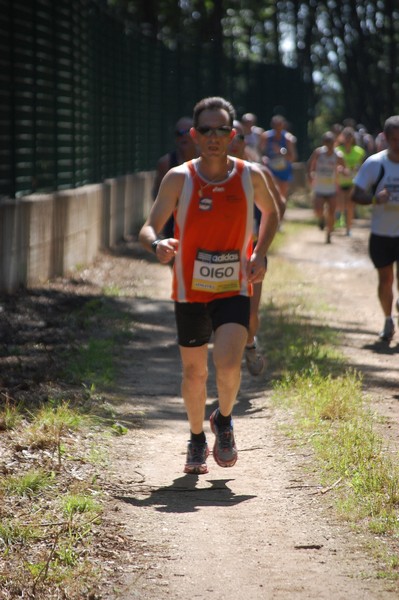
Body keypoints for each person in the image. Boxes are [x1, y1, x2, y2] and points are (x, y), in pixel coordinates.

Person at [139, 97, 279, 474]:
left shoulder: (250, 175)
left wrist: (259, 253)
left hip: (234, 286)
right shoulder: (179, 177)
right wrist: (157, 242)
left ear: (233, 135)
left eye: (222, 130)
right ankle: (198, 438)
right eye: (206, 130)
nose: (214, 136)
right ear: (194, 135)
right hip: (189, 290)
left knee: (229, 362)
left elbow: (272, 212)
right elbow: (148, 227)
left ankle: (225, 419)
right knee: (194, 373)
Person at [229, 120, 286, 375]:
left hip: (251, 252)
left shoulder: (257, 172)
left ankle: (250, 344)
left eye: (237, 136)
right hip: (217, 254)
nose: (231, 140)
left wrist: (261, 243)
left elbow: (278, 205)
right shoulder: (202, 175)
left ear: (245, 141)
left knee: (251, 315)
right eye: (226, 134)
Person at [352, 115, 399, 342]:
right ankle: (388, 320)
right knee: (385, 279)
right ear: (387, 139)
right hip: (381, 232)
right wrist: (374, 199)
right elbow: (355, 194)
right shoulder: (375, 164)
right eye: (395, 139)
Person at [152, 116, 198, 238]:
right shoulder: (165, 163)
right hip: (173, 218)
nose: (183, 136)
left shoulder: (206, 161)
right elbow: (157, 194)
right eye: (179, 133)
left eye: (186, 132)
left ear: (195, 134)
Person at [307, 131, 346, 244]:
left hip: (332, 188)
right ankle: (321, 219)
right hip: (319, 187)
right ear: (324, 142)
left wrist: (342, 171)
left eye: (331, 142)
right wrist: (310, 174)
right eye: (327, 142)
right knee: (318, 210)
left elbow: (344, 168)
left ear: (334, 142)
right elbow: (310, 164)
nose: (329, 144)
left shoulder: (338, 155)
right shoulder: (319, 153)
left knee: (331, 212)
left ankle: (329, 233)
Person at [336, 127, 366, 235]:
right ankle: (338, 216)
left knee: (350, 206)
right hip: (339, 182)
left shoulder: (359, 151)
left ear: (353, 138)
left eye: (350, 137)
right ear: (342, 138)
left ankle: (348, 229)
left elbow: (363, 167)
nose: (348, 140)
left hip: (353, 182)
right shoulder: (338, 151)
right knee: (340, 205)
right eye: (346, 137)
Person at [259, 114, 297, 198]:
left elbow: (292, 157)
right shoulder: (265, 137)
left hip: (284, 170)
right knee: (272, 193)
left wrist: (281, 151)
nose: (277, 128)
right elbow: (261, 153)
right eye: (275, 125)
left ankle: (281, 210)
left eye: (279, 125)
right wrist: (263, 159)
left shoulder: (288, 139)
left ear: (283, 125)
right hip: (270, 169)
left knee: (282, 195)